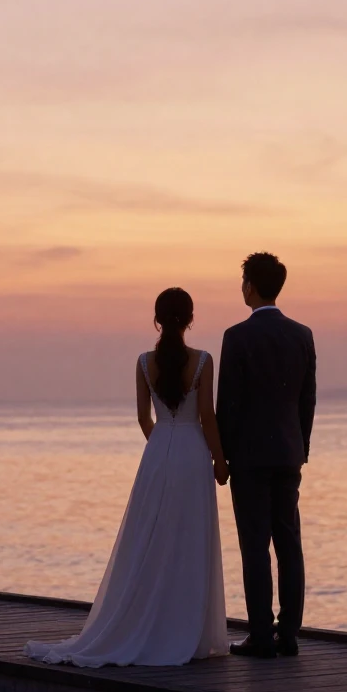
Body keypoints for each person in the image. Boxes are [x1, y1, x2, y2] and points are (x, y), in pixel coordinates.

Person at [24, 288, 230, 667]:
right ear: (190, 319)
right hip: (192, 454)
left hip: (158, 453)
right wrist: (219, 460)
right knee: (189, 538)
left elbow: (143, 417)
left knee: (150, 537)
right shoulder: (203, 360)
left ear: (157, 320)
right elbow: (207, 416)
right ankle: (185, 629)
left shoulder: (143, 362)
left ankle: (148, 622)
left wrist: (162, 447)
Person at [217, 252, 317, 659]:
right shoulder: (302, 334)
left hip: (249, 457)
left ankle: (260, 634)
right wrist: (300, 447)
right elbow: (307, 399)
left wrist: (222, 456)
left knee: (255, 546)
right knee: (289, 541)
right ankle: (288, 633)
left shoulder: (237, 336)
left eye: (243, 281)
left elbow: (229, 403)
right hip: (288, 453)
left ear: (251, 286)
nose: (241, 288)